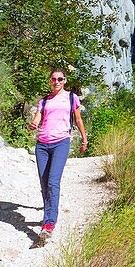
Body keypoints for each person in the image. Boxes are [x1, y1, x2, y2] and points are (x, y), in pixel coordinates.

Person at [27, 68, 88, 239]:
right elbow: (37, 119)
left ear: (65, 80)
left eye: (60, 79)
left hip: (61, 142)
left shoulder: (71, 98)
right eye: (53, 79)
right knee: (44, 183)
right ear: (50, 81)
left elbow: (78, 120)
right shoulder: (44, 101)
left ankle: (48, 223)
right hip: (42, 145)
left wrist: (84, 139)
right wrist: (33, 124)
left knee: (53, 182)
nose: (57, 82)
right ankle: (48, 215)